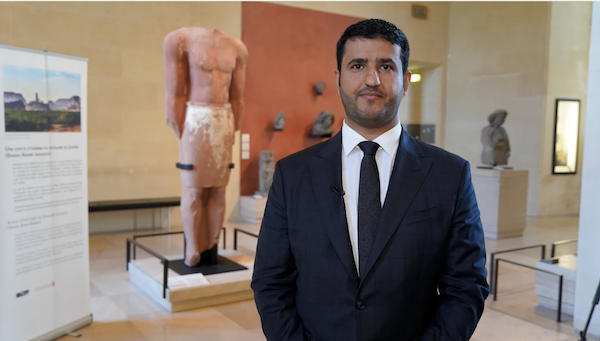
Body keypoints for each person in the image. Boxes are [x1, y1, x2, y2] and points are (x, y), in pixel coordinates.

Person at [251, 19, 489, 341]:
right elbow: (271, 281)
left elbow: (465, 286)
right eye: (358, 65)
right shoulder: (293, 174)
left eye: (386, 66)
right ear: (338, 78)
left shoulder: (450, 175)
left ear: (406, 80)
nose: (371, 79)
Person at [163, 27, 248, 267]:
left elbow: (237, 95)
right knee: (193, 189)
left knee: (218, 190)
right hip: (196, 118)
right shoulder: (180, 39)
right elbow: (174, 91)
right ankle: (192, 246)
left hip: (223, 119)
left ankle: (211, 243)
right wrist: (180, 127)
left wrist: (234, 126)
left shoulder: (237, 47)